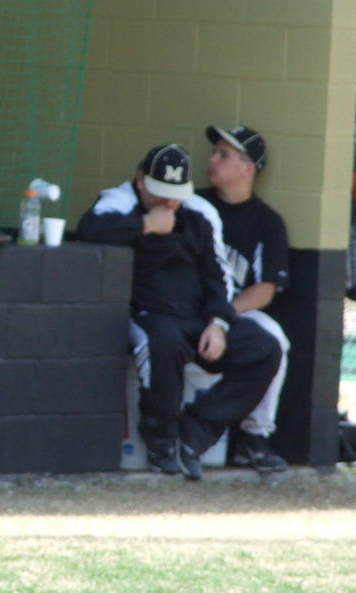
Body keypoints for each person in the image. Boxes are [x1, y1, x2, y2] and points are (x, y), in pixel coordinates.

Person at [77, 142, 280, 480]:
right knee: (163, 341)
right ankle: (161, 442)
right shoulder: (119, 200)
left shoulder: (200, 211)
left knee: (265, 347)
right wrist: (145, 224)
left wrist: (218, 323)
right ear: (142, 182)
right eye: (161, 194)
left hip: (197, 316)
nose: (170, 203)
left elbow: (218, 276)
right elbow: (90, 230)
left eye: (175, 195)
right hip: (146, 314)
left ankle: (195, 433)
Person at [197, 125, 291, 473]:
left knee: (275, 340)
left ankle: (254, 437)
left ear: (247, 168)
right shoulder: (193, 206)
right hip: (189, 306)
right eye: (214, 152)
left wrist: (222, 316)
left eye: (223, 155)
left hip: (231, 312)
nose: (212, 159)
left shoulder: (267, 222)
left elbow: (265, 290)